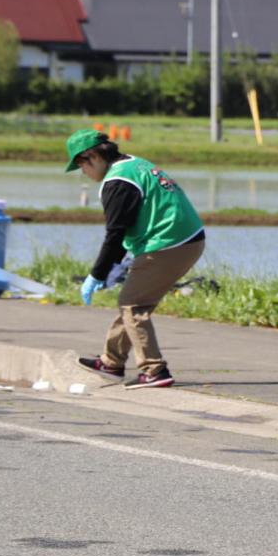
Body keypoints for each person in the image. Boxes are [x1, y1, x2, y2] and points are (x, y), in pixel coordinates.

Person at [65, 128, 205, 389]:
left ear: (92, 156)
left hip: (168, 243)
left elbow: (115, 233)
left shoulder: (117, 182)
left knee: (132, 304)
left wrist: (97, 274)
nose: (82, 172)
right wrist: (110, 266)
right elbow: (124, 229)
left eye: (81, 165)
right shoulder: (134, 164)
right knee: (135, 300)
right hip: (188, 240)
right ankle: (111, 361)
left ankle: (154, 370)